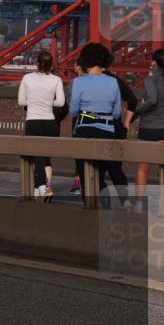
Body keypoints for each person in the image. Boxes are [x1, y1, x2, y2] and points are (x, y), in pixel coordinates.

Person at [69, 43, 126, 207]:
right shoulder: (113, 82)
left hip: (84, 130)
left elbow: (73, 111)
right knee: (102, 172)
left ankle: (90, 208)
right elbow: (117, 113)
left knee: (85, 174)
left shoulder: (78, 82)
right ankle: (112, 204)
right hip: (107, 131)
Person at [17, 51, 65, 202]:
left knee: (36, 155)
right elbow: (61, 102)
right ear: (51, 64)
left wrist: (34, 101)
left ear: (37, 63)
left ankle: (41, 186)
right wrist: (48, 102)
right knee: (44, 156)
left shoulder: (27, 78)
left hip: (33, 121)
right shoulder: (56, 80)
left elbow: (21, 101)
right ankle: (39, 187)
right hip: (50, 122)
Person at [135, 49, 164, 206]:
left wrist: (138, 110)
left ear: (154, 62)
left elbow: (152, 100)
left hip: (148, 127)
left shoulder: (151, 79)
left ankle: (139, 204)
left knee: (143, 169)